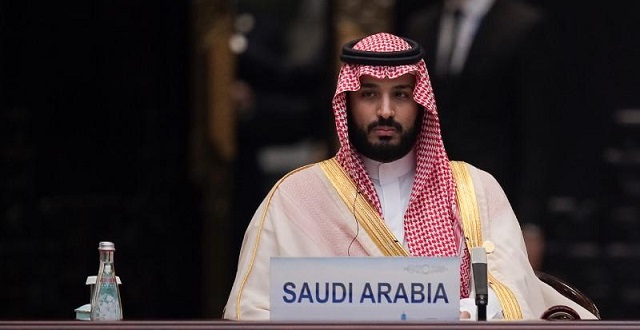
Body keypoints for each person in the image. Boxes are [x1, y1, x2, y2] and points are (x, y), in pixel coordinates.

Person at [223, 32, 596, 321]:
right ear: (347, 101)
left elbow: (515, 292)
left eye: (400, 94)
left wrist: (460, 311)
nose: (385, 111)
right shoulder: (295, 198)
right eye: (369, 94)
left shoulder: (476, 190)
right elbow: (251, 312)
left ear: (420, 102)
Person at [402, 0, 556, 269]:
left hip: (496, 208)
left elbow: (538, 132)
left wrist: (531, 223)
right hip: (429, 208)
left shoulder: (522, 27)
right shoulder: (421, 26)